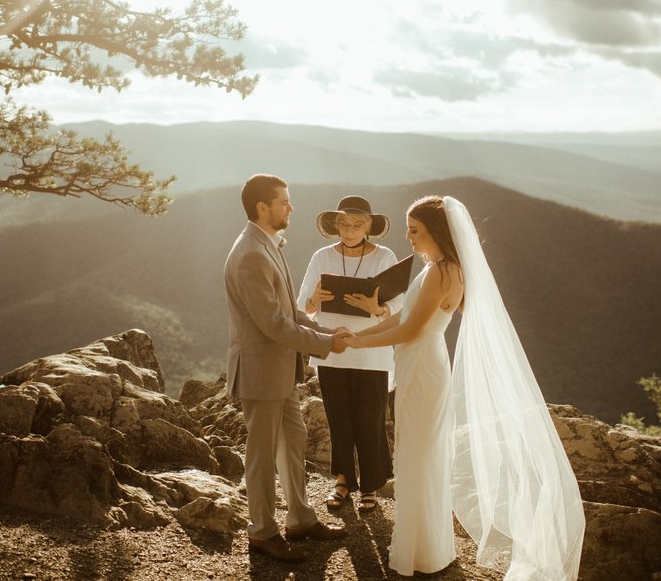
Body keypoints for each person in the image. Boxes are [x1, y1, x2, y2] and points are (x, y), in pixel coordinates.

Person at [345, 196, 586, 580]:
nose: (409, 237)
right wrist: (360, 332)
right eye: (408, 229)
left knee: (418, 455)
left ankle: (418, 552)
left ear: (437, 231)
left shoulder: (441, 271)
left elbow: (411, 330)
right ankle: (429, 549)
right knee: (423, 454)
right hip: (424, 362)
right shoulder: (449, 269)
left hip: (423, 365)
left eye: (415, 230)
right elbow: (407, 318)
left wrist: (358, 342)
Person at [223, 174, 349, 564]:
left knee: (293, 439)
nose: (291, 208)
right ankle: (262, 532)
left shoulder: (265, 245)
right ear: (262, 208)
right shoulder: (251, 255)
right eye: (284, 202)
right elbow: (273, 325)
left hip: (280, 372)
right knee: (261, 455)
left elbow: (287, 311)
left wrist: (326, 330)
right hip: (261, 373)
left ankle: (300, 520)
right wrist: (327, 344)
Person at [297, 195, 401, 514]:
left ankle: (370, 485)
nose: (350, 230)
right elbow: (303, 306)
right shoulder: (321, 256)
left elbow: (401, 307)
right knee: (338, 418)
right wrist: (314, 299)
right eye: (343, 223)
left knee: (370, 420)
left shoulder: (385, 256)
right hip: (332, 349)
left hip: (371, 351)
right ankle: (343, 481)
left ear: (370, 226)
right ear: (335, 225)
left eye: (357, 224)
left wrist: (377, 308)